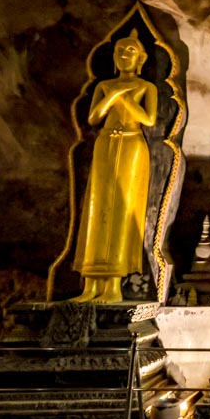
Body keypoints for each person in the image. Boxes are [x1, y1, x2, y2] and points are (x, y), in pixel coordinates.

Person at [72, 30, 157, 303]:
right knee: (97, 209)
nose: (123, 56)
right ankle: (90, 285)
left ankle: (113, 285)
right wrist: (113, 94)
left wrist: (127, 97)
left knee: (122, 210)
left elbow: (149, 119)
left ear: (140, 59)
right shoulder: (104, 86)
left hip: (132, 144)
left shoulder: (147, 87)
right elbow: (94, 117)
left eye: (130, 52)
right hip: (105, 143)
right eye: (120, 51)